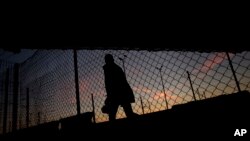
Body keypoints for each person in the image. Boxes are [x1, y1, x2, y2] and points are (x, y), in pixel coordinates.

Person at [102, 54, 137, 121]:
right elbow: (110, 85)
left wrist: (109, 96)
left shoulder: (111, 69)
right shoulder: (113, 68)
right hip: (121, 93)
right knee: (127, 113)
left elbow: (112, 84)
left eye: (107, 60)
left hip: (120, 93)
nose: (106, 61)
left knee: (114, 114)